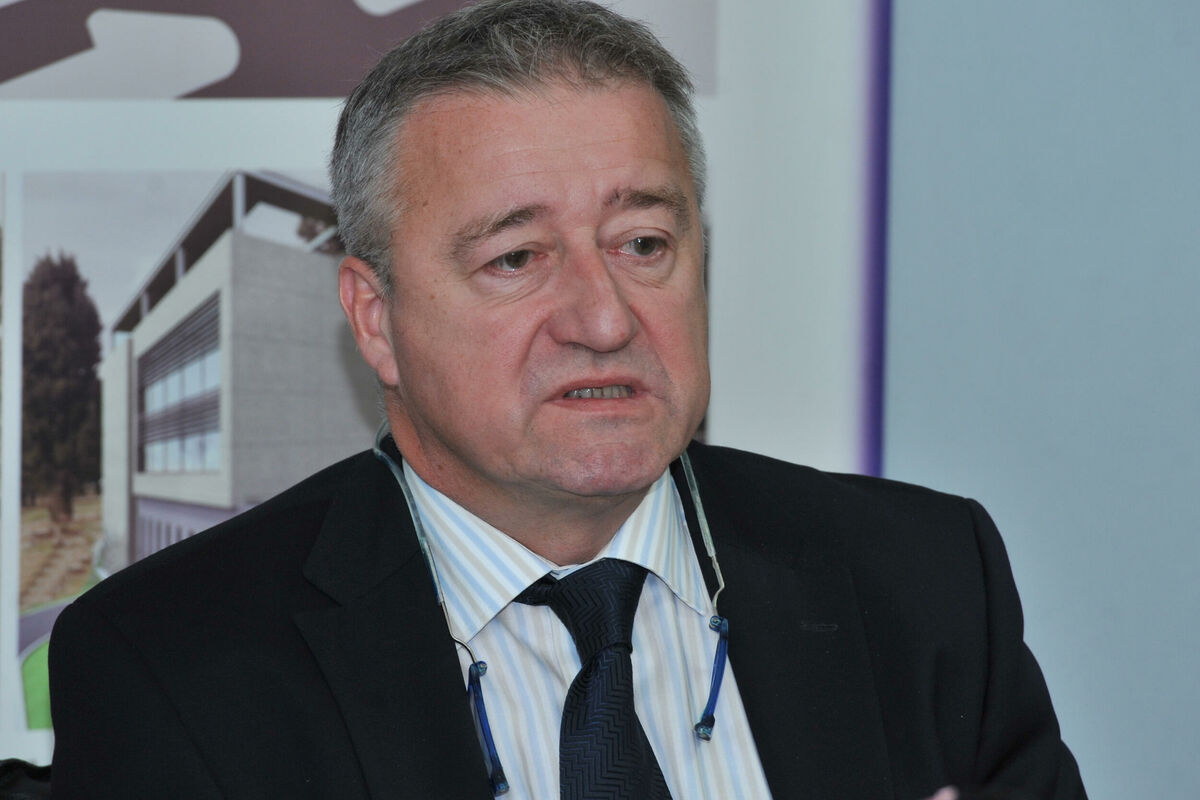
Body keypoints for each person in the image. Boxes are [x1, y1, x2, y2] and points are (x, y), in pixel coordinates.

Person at [48, 1, 1088, 798]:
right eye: (516, 257)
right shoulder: (174, 665)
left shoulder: (923, 583)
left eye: (644, 243)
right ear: (375, 318)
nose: (603, 317)